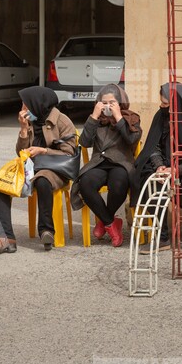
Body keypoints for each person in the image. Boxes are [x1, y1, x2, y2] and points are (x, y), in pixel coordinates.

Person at [0, 86, 77, 254]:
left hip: (54, 170)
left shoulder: (62, 121)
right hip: (30, 169)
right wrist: (23, 129)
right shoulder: (31, 121)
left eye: (26, 105)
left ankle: (46, 231)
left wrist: (43, 151)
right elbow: (20, 151)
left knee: (42, 180)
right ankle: (6, 238)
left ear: (38, 104)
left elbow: (69, 153)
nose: (23, 109)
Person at [129, 83, 182, 246]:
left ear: (178, 105)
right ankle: (161, 236)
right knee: (147, 179)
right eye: (161, 102)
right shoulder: (161, 117)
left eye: (166, 104)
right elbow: (153, 145)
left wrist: (176, 170)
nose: (161, 106)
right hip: (164, 166)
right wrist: (160, 166)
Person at [73, 84, 142, 248]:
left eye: (112, 102)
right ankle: (111, 223)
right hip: (99, 163)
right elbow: (84, 142)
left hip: (121, 163)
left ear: (120, 103)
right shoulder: (97, 120)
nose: (108, 106)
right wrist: (93, 117)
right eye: (104, 103)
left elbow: (132, 140)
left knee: (118, 184)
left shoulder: (131, 118)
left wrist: (118, 118)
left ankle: (104, 220)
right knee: (86, 183)